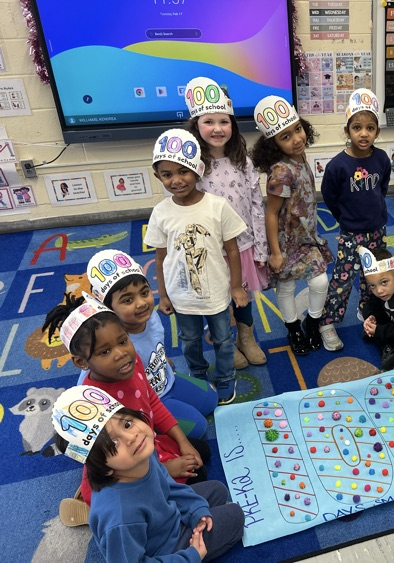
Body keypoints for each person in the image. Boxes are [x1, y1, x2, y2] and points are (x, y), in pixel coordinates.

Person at [43, 295, 209, 525]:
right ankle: (99, 510)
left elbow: (152, 402)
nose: (120, 353)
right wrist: (165, 470)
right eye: (104, 352)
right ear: (82, 362)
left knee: (200, 451)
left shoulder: (131, 363)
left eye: (122, 341)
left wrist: (182, 441)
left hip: (145, 446)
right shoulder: (94, 400)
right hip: (121, 470)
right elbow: (111, 459)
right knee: (197, 479)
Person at [52, 386, 243, 561]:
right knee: (236, 515)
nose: (131, 437)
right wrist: (189, 557)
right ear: (103, 467)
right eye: (114, 444)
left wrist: (195, 511)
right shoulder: (121, 515)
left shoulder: (142, 453)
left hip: (164, 517)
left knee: (218, 489)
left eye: (127, 424)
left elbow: (169, 486)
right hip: (164, 549)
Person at [144, 129, 248, 405]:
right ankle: (199, 375)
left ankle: (225, 377)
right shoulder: (161, 212)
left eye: (183, 172)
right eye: (167, 174)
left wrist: (236, 286)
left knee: (224, 339)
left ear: (198, 170)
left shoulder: (218, 206)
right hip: (181, 296)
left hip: (215, 294)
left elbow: (232, 250)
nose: (176, 180)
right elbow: (160, 258)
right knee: (188, 340)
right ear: (158, 177)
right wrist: (163, 295)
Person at [80, 249, 218, 439]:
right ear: (108, 307)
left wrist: (162, 357)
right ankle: (150, 430)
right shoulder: (112, 343)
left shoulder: (151, 317)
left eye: (144, 292)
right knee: (198, 428)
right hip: (148, 400)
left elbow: (153, 343)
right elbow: (87, 381)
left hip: (167, 380)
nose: (141, 303)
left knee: (211, 398)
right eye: (128, 300)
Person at [185, 76, 268, 369]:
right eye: (209, 122)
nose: (218, 129)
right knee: (219, 299)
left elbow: (258, 204)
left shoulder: (243, 161)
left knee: (242, 293)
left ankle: (246, 337)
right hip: (211, 250)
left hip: (242, 244)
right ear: (196, 126)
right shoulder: (192, 167)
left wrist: (260, 246)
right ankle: (224, 340)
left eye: (224, 121)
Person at [250, 96, 333, 355]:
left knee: (319, 281)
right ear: (273, 144)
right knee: (286, 286)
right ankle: (293, 327)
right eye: (286, 137)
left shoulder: (300, 155)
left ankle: (313, 319)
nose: (296, 139)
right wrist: (275, 252)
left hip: (307, 237)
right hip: (286, 242)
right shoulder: (280, 172)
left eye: (297, 129)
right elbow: (271, 213)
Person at [318, 88, 391, 352]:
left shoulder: (382, 158)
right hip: (351, 233)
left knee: (374, 275)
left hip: (377, 229)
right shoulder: (338, 165)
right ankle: (328, 322)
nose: (363, 133)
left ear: (377, 132)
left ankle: (368, 310)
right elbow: (329, 196)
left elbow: (382, 187)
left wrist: (375, 213)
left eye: (370, 128)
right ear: (348, 130)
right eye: (357, 127)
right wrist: (345, 219)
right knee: (343, 278)